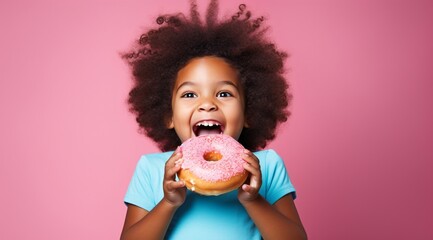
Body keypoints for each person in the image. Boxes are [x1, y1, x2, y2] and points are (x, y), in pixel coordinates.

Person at [120, 1, 307, 239]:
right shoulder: (152, 169)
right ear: (168, 115)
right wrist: (168, 202)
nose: (207, 104)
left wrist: (253, 200)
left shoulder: (266, 166)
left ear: (249, 113)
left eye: (224, 93)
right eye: (190, 94)